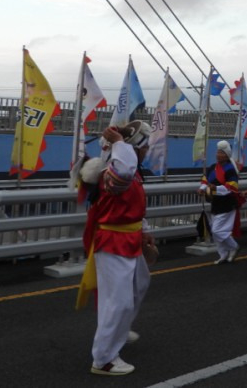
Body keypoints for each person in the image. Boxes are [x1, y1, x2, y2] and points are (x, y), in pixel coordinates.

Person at [80, 122, 153, 377]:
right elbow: (121, 178)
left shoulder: (133, 170)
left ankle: (119, 332)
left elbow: (134, 202)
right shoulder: (114, 171)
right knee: (117, 302)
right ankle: (104, 359)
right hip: (113, 241)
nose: (147, 150)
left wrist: (143, 229)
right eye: (143, 146)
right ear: (134, 149)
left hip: (128, 238)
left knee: (138, 286)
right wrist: (120, 142)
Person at [198, 141, 243, 265]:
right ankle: (223, 254)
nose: (218, 154)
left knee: (217, 230)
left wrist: (215, 189)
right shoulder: (212, 167)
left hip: (228, 203)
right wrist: (202, 189)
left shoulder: (230, 170)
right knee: (215, 230)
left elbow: (232, 188)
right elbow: (205, 180)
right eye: (217, 152)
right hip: (216, 202)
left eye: (221, 153)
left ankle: (233, 246)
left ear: (227, 155)